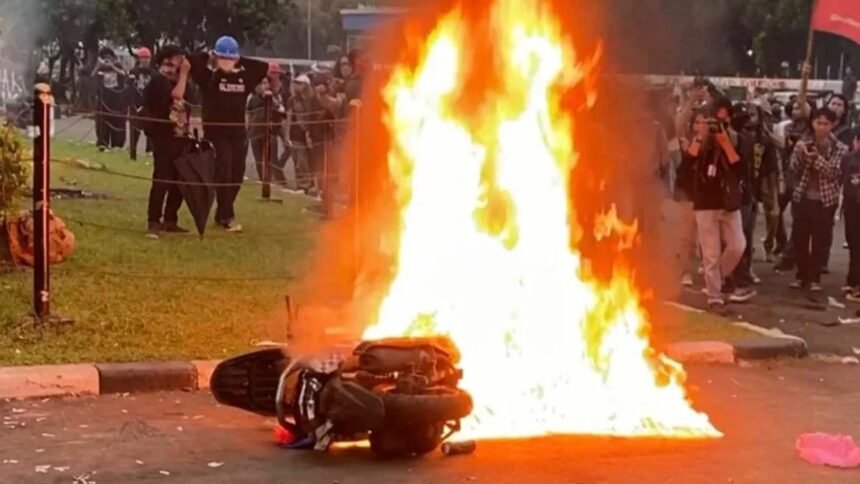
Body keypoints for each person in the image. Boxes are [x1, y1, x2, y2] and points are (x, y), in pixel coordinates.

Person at [189, 36, 269, 233]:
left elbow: (262, 67)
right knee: (223, 171)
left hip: (237, 132)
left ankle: (222, 211)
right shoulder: (208, 77)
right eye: (223, 58)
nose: (226, 62)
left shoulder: (243, 77)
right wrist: (210, 56)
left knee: (236, 174)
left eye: (230, 58)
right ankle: (227, 216)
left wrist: (238, 60)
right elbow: (192, 60)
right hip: (216, 132)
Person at [680, 108, 754, 311]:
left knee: (738, 245)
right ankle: (714, 297)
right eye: (708, 123)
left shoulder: (735, 140)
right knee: (710, 253)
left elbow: (741, 170)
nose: (714, 128)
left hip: (728, 203)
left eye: (720, 123)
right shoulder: (696, 143)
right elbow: (684, 171)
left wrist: (725, 142)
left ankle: (717, 278)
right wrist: (699, 137)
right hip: (705, 204)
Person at [789, 108, 849, 293]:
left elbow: (834, 173)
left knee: (819, 241)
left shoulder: (840, 148)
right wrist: (802, 155)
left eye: (826, 124)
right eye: (818, 123)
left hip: (825, 200)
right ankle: (802, 275)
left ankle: (814, 277)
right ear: (812, 123)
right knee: (799, 238)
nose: (822, 127)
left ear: (832, 125)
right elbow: (793, 168)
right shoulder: (803, 143)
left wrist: (817, 159)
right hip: (802, 196)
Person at [142, 45, 192, 239]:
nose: (182, 63)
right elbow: (177, 96)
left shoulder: (179, 80)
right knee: (162, 179)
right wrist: (184, 75)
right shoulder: (159, 80)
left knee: (180, 180)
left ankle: (171, 218)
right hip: (164, 137)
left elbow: (189, 101)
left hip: (180, 136)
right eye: (179, 59)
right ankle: (154, 220)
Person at [246, 63, 288, 186]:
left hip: (270, 133)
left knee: (272, 159)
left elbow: (281, 110)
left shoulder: (274, 96)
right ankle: (263, 181)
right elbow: (248, 113)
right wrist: (247, 127)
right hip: (255, 133)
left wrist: (270, 98)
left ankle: (280, 181)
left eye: (265, 83)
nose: (263, 86)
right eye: (261, 83)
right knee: (259, 160)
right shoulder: (252, 98)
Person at [287, 74, 326, 196]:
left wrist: (310, 131)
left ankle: (309, 185)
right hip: (295, 134)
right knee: (298, 161)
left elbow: (319, 115)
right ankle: (302, 185)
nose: (297, 86)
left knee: (308, 161)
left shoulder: (313, 100)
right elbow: (288, 118)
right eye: (296, 83)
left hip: (310, 134)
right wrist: (287, 135)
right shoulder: (292, 100)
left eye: (300, 83)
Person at [93, 47, 128, 151]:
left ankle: (117, 145)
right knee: (102, 123)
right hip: (103, 100)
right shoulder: (100, 68)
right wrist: (98, 65)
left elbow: (124, 73)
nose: (107, 60)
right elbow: (92, 77)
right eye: (104, 57)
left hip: (117, 100)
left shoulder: (118, 65)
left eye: (109, 57)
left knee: (117, 123)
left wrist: (113, 66)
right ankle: (102, 142)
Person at [128, 47, 156, 160]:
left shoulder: (153, 73)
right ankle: (133, 151)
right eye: (143, 58)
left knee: (150, 128)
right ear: (139, 59)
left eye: (147, 58)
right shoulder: (134, 72)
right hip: (136, 104)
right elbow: (130, 88)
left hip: (149, 104)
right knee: (135, 129)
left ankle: (149, 150)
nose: (146, 60)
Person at [842, 130, 860, 301]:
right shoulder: (848, 158)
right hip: (851, 207)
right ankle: (852, 279)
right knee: (854, 244)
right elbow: (843, 180)